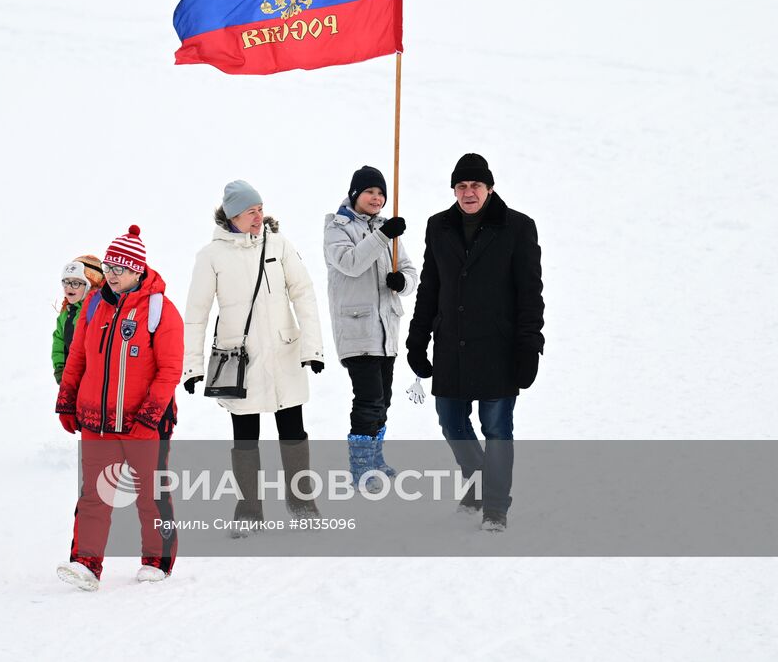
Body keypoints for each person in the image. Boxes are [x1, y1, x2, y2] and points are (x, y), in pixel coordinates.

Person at [405, 153, 545, 532]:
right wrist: (417, 340)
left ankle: (495, 506)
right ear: (454, 190)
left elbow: (530, 293)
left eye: (476, 186)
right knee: (450, 421)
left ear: (490, 188)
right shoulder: (439, 227)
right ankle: (481, 482)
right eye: (462, 186)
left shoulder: (517, 227)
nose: (468, 192)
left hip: (499, 347)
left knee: (496, 428)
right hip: (451, 345)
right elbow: (430, 289)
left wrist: (530, 345)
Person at [183, 180, 325, 530]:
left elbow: (303, 294)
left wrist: (313, 348)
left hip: (284, 352)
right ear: (233, 215)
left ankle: (301, 501)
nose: (259, 216)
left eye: (260, 209)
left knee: (293, 429)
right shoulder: (211, 256)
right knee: (245, 435)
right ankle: (249, 510)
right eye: (251, 211)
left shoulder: (279, 245)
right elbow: (196, 313)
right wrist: (192, 366)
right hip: (239, 362)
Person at [55, 225, 183, 590]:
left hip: (145, 421)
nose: (112, 275)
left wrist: (150, 416)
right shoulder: (94, 305)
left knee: (149, 493)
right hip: (98, 419)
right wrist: (67, 401)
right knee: (94, 494)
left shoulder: (160, 310)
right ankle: (85, 563)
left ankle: (157, 561)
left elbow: (170, 369)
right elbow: (77, 355)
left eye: (120, 269)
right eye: (109, 267)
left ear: (137, 269)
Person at [324, 166, 418, 492]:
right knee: (368, 399)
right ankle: (361, 466)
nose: (377, 198)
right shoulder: (338, 227)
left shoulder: (384, 229)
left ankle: (375, 457)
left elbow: (409, 270)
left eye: (381, 193)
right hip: (356, 329)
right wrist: (382, 237)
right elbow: (349, 263)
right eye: (370, 192)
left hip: (385, 331)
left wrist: (401, 281)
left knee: (384, 399)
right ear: (355, 195)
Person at [51, 256, 104, 383]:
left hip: (97, 379)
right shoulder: (66, 314)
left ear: (91, 285)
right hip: (73, 378)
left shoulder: (100, 310)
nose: (68, 287)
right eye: (66, 282)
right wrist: (60, 367)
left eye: (75, 283)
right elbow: (60, 342)